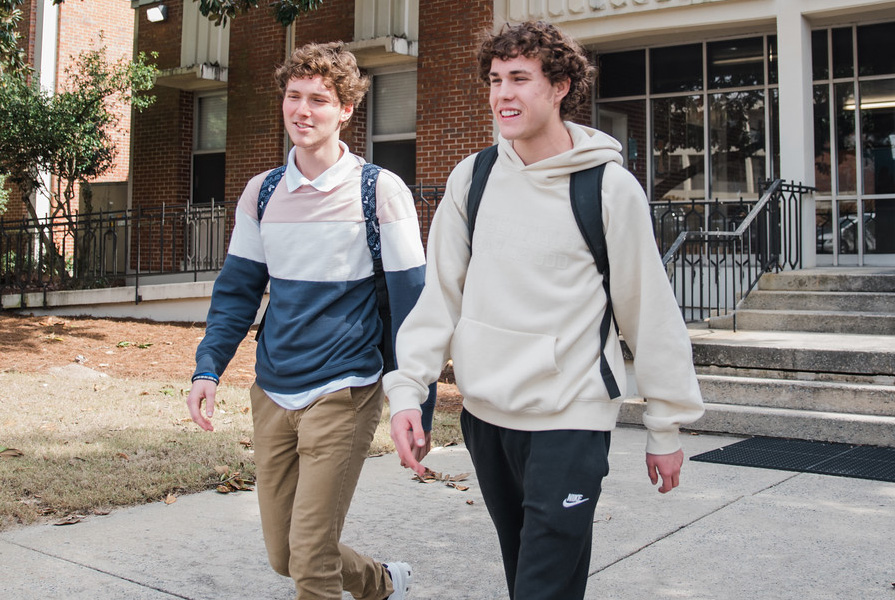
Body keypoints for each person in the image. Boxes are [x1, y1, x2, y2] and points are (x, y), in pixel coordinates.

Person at [384, 20, 705, 600]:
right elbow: (441, 295)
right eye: (495, 79)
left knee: (542, 584)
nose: (502, 93)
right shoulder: (472, 178)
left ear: (559, 86)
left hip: (570, 418)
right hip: (486, 415)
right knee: (524, 571)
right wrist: (408, 389)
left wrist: (665, 423)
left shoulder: (608, 188)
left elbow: (647, 311)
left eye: (520, 79)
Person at [185, 42, 434, 600]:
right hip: (274, 389)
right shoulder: (263, 191)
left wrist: (414, 403)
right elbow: (237, 292)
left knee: (311, 563)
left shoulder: (379, 191)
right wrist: (208, 370)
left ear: (346, 109)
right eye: (293, 96)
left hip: (344, 388)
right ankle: (381, 581)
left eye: (318, 99)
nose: (302, 109)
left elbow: (411, 305)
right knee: (285, 555)